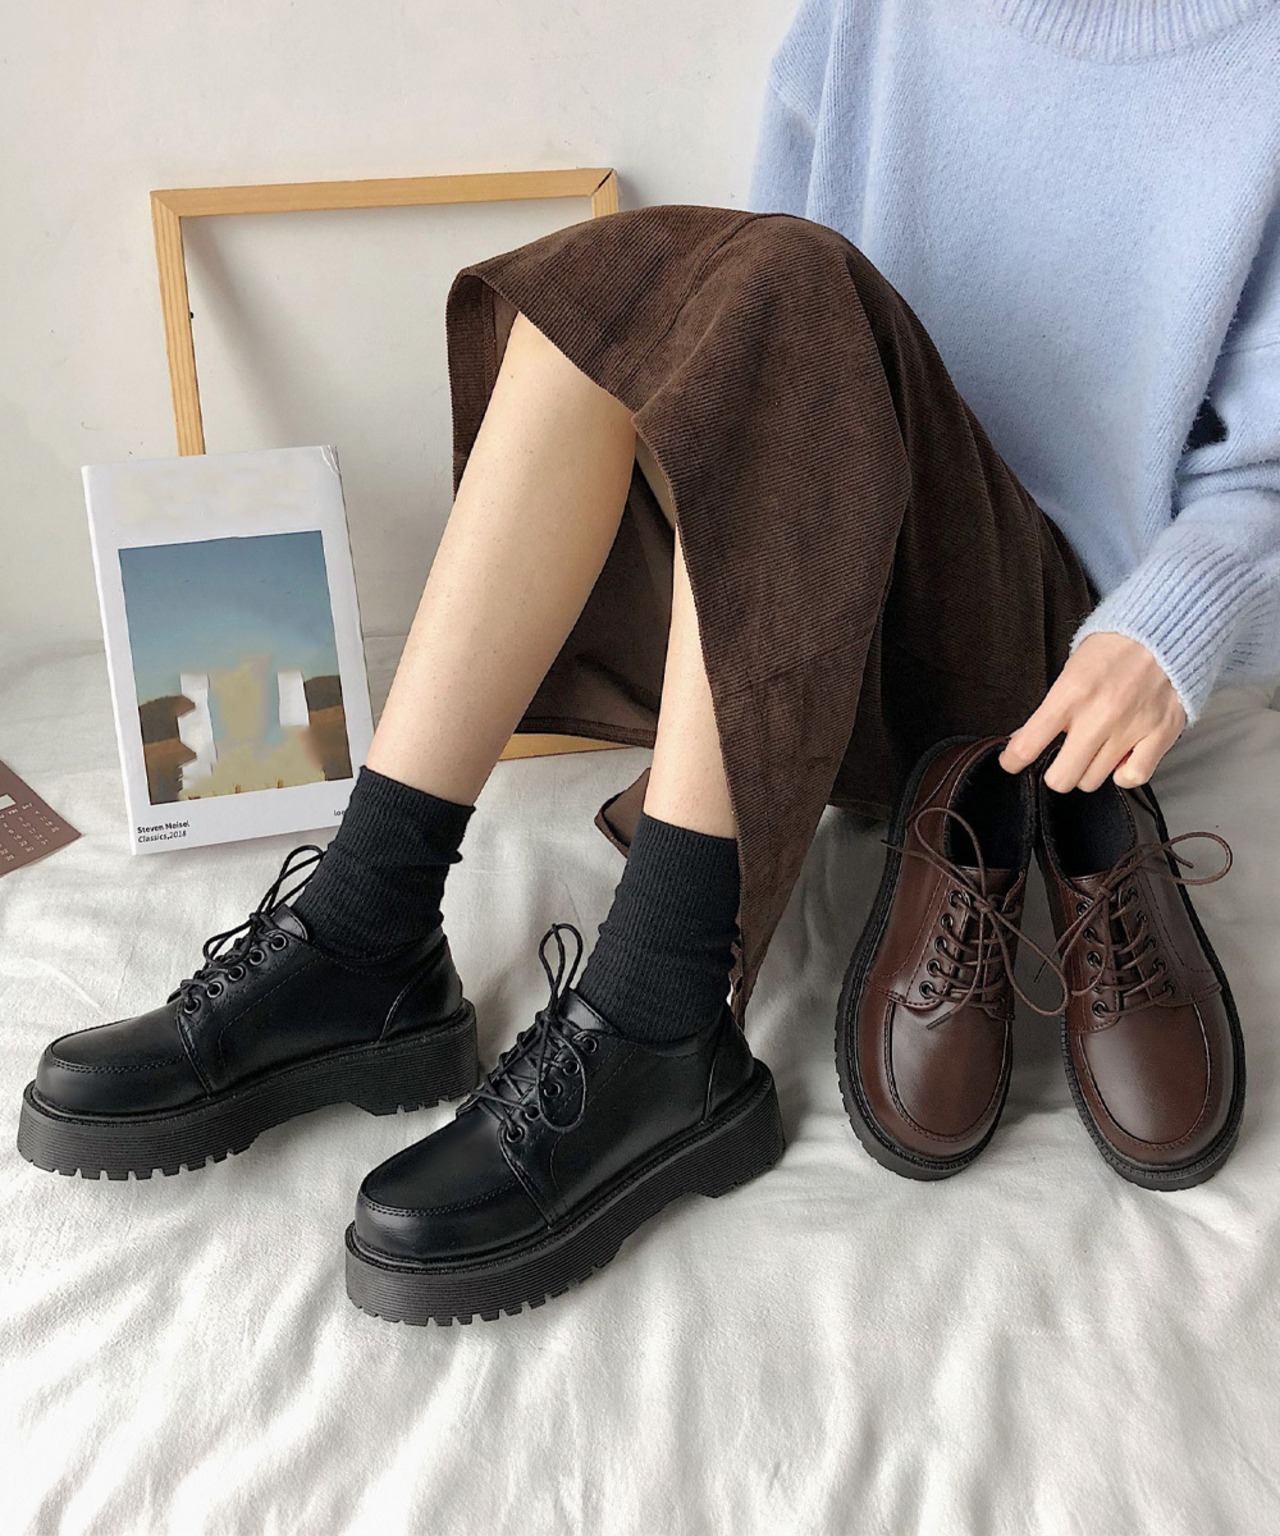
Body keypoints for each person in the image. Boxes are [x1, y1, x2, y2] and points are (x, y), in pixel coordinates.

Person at [18, 0, 1279, 1324]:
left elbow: (1263, 473)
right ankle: (366, 925)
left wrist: (1168, 624)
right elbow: (757, 340)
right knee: (618, 292)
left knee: (774, 280)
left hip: (1045, 675)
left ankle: (660, 1018)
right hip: (811, 600)